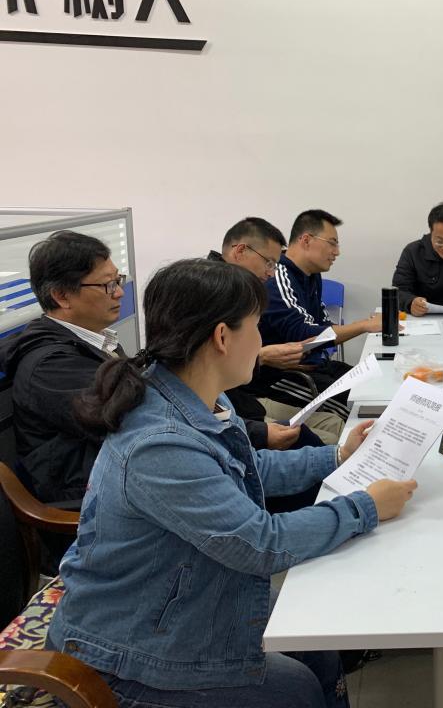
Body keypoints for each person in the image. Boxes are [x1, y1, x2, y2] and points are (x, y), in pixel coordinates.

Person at [46, 258, 417, 708]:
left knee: (316, 642)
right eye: (257, 327)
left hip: (180, 596)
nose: (262, 342)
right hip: (125, 653)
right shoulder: (159, 443)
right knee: (297, 688)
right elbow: (261, 544)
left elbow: (248, 467)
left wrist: (337, 455)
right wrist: (366, 507)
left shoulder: (195, 395)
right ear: (222, 337)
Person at [0, 231, 126, 504]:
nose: (119, 292)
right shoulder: (51, 366)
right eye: (108, 285)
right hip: (87, 495)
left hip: (111, 466)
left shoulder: (95, 340)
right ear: (61, 296)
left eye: (118, 280)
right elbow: (127, 420)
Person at [211, 217, 343, 448]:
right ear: (240, 251)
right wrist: (262, 357)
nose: (271, 273)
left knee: (334, 424)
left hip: (244, 402)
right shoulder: (210, 292)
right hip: (237, 406)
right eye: (268, 263)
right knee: (328, 440)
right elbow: (207, 371)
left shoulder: (241, 291)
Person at [256, 209, 382, 420]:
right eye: (332, 243)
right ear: (306, 240)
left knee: (374, 386)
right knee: (359, 409)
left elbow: (321, 324)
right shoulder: (279, 276)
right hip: (280, 377)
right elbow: (305, 333)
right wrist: (364, 325)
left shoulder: (312, 276)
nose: (337, 252)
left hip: (315, 365)